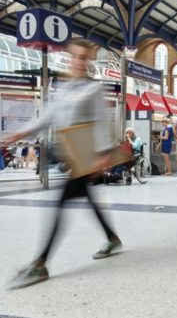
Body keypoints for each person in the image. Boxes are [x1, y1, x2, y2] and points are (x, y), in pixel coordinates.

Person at [2, 39, 122, 289]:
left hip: (86, 155)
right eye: (76, 57)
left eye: (84, 58)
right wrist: (20, 133)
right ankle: (112, 238)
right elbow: (47, 117)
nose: (79, 62)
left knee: (60, 204)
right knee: (87, 198)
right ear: (69, 58)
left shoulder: (92, 89)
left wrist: (102, 155)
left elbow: (102, 121)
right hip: (70, 153)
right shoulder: (63, 87)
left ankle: (40, 264)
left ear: (88, 61)